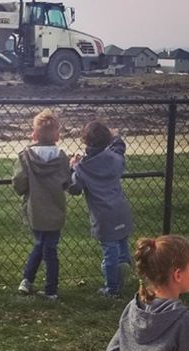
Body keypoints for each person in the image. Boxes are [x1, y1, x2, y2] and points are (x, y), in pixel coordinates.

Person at [12, 109, 71, 301]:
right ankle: (51, 289)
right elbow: (67, 182)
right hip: (55, 209)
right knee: (51, 248)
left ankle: (27, 280)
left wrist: (24, 190)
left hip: (35, 209)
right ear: (58, 136)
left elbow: (19, 182)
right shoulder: (61, 158)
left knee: (39, 244)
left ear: (34, 134)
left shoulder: (26, 157)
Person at [69, 120, 132, 297]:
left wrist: (71, 167)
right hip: (120, 209)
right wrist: (114, 136)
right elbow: (119, 147)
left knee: (109, 250)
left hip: (103, 215)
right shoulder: (114, 159)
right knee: (121, 243)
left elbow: (74, 189)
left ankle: (112, 288)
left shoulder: (83, 167)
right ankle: (124, 263)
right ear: (107, 139)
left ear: (84, 141)